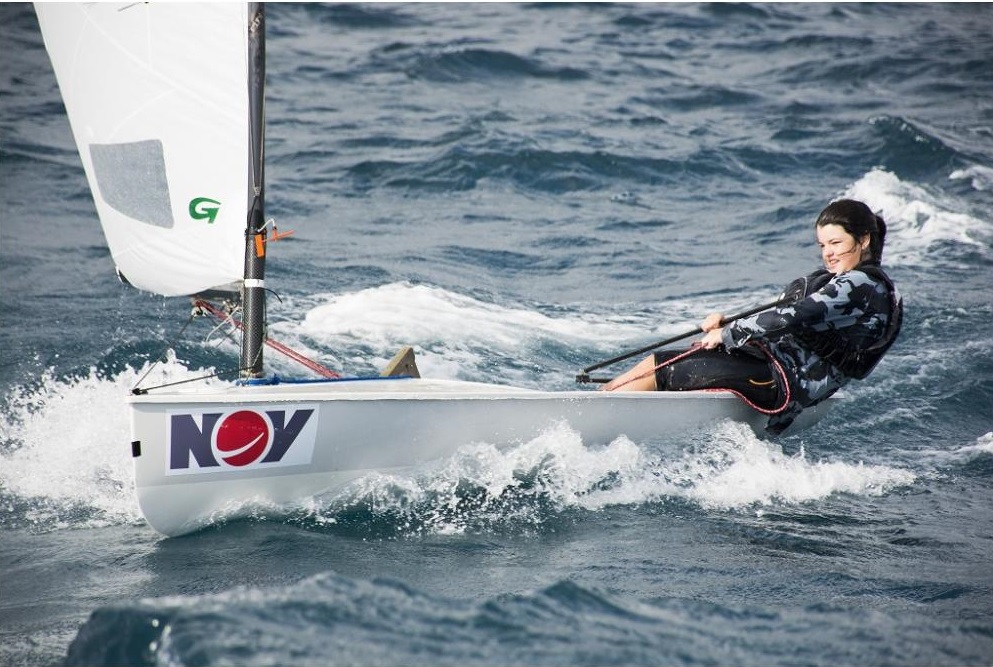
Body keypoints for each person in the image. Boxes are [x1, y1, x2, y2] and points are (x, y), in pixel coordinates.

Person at [601, 198, 903, 435]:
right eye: (823, 245)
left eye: (836, 243)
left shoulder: (859, 284)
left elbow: (791, 316)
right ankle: (603, 400)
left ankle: (597, 412)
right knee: (669, 360)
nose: (828, 253)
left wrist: (728, 333)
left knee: (661, 367)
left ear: (863, 241)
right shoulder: (870, 286)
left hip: (780, 380)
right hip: (782, 374)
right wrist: (729, 325)